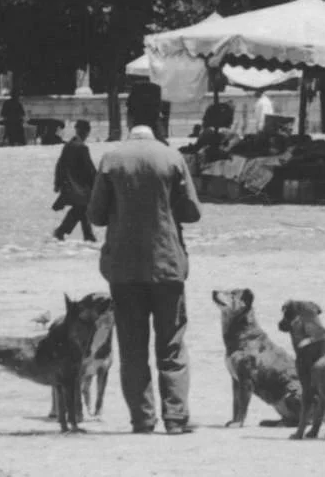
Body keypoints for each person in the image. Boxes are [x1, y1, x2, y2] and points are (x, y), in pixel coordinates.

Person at [88, 82, 202, 436]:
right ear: (159, 116)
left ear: (128, 113)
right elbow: (193, 212)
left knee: (133, 347)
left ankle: (142, 418)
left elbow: (95, 215)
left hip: (124, 268)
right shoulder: (171, 158)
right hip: (167, 265)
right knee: (170, 345)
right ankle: (176, 417)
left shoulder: (111, 159)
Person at [53, 120, 97, 242]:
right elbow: (89, 170)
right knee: (81, 207)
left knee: (82, 208)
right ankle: (62, 231)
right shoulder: (82, 148)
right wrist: (97, 183)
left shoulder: (69, 145)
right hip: (79, 185)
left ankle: (88, 235)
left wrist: (58, 182)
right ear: (87, 132)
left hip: (69, 184)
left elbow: (60, 165)